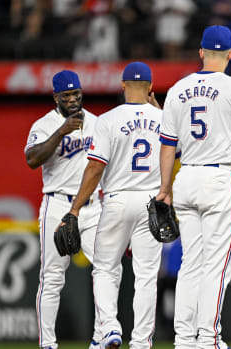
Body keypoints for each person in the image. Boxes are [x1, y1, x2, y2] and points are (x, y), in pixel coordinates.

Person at [155, 25, 231, 349]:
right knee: (217, 266)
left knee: (190, 264)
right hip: (220, 179)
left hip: (186, 177)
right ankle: (208, 338)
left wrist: (165, 188)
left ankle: (184, 340)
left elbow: (167, 145)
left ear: (200, 52)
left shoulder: (179, 89)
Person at [58, 62, 164, 349]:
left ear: (122, 85)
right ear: (151, 87)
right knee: (146, 276)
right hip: (151, 201)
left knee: (104, 269)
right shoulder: (165, 119)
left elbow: (94, 169)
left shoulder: (107, 119)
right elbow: (177, 155)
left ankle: (111, 329)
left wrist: (75, 208)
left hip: (117, 199)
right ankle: (141, 342)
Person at [24, 70, 107, 349]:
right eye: (66, 95)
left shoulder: (97, 123)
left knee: (107, 269)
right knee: (52, 278)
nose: (72, 99)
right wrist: (61, 131)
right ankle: (47, 344)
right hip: (58, 203)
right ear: (55, 97)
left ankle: (101, 337)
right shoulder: (45, 124)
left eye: (76, 93)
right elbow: (32, 160)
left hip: (92, 205)